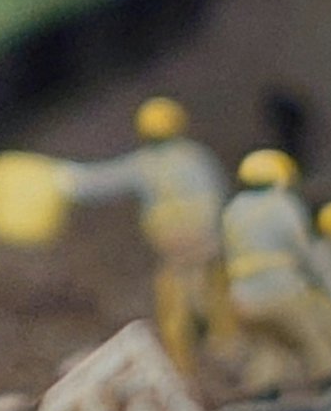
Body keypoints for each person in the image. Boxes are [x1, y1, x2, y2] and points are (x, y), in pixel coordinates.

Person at [55, 97, 234, 373]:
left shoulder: (147, 163)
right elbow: (217, 192)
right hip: (200, 238)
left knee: (180, 297)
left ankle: (189, 357)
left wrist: (65, 179)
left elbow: (104, 180)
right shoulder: (195, 157)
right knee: (208, 291)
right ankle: (221, 346)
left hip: (175, 242)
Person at [220, 149, 331, 392]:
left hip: (243, 298)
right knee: (315, 341)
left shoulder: (234, 210)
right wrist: (324, 286)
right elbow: (304, 252)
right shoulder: (283, 206)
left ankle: (261, 395)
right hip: (280, 289)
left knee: (270, 348)